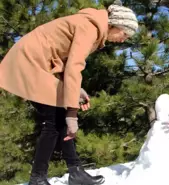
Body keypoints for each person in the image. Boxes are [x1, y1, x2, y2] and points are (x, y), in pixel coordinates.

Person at [0, 3, 138, 185]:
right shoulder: (89, 28)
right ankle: (37, 179)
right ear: (116, 25)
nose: (124, 39)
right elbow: (74, 67)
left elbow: (64, 62)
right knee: (55, 121)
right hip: (28, 63)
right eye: (125, 34)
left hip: (38, 64)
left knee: (59, 118)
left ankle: (76, 172)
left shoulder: (92, 27)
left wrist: (76, 91)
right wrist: (72, 112)